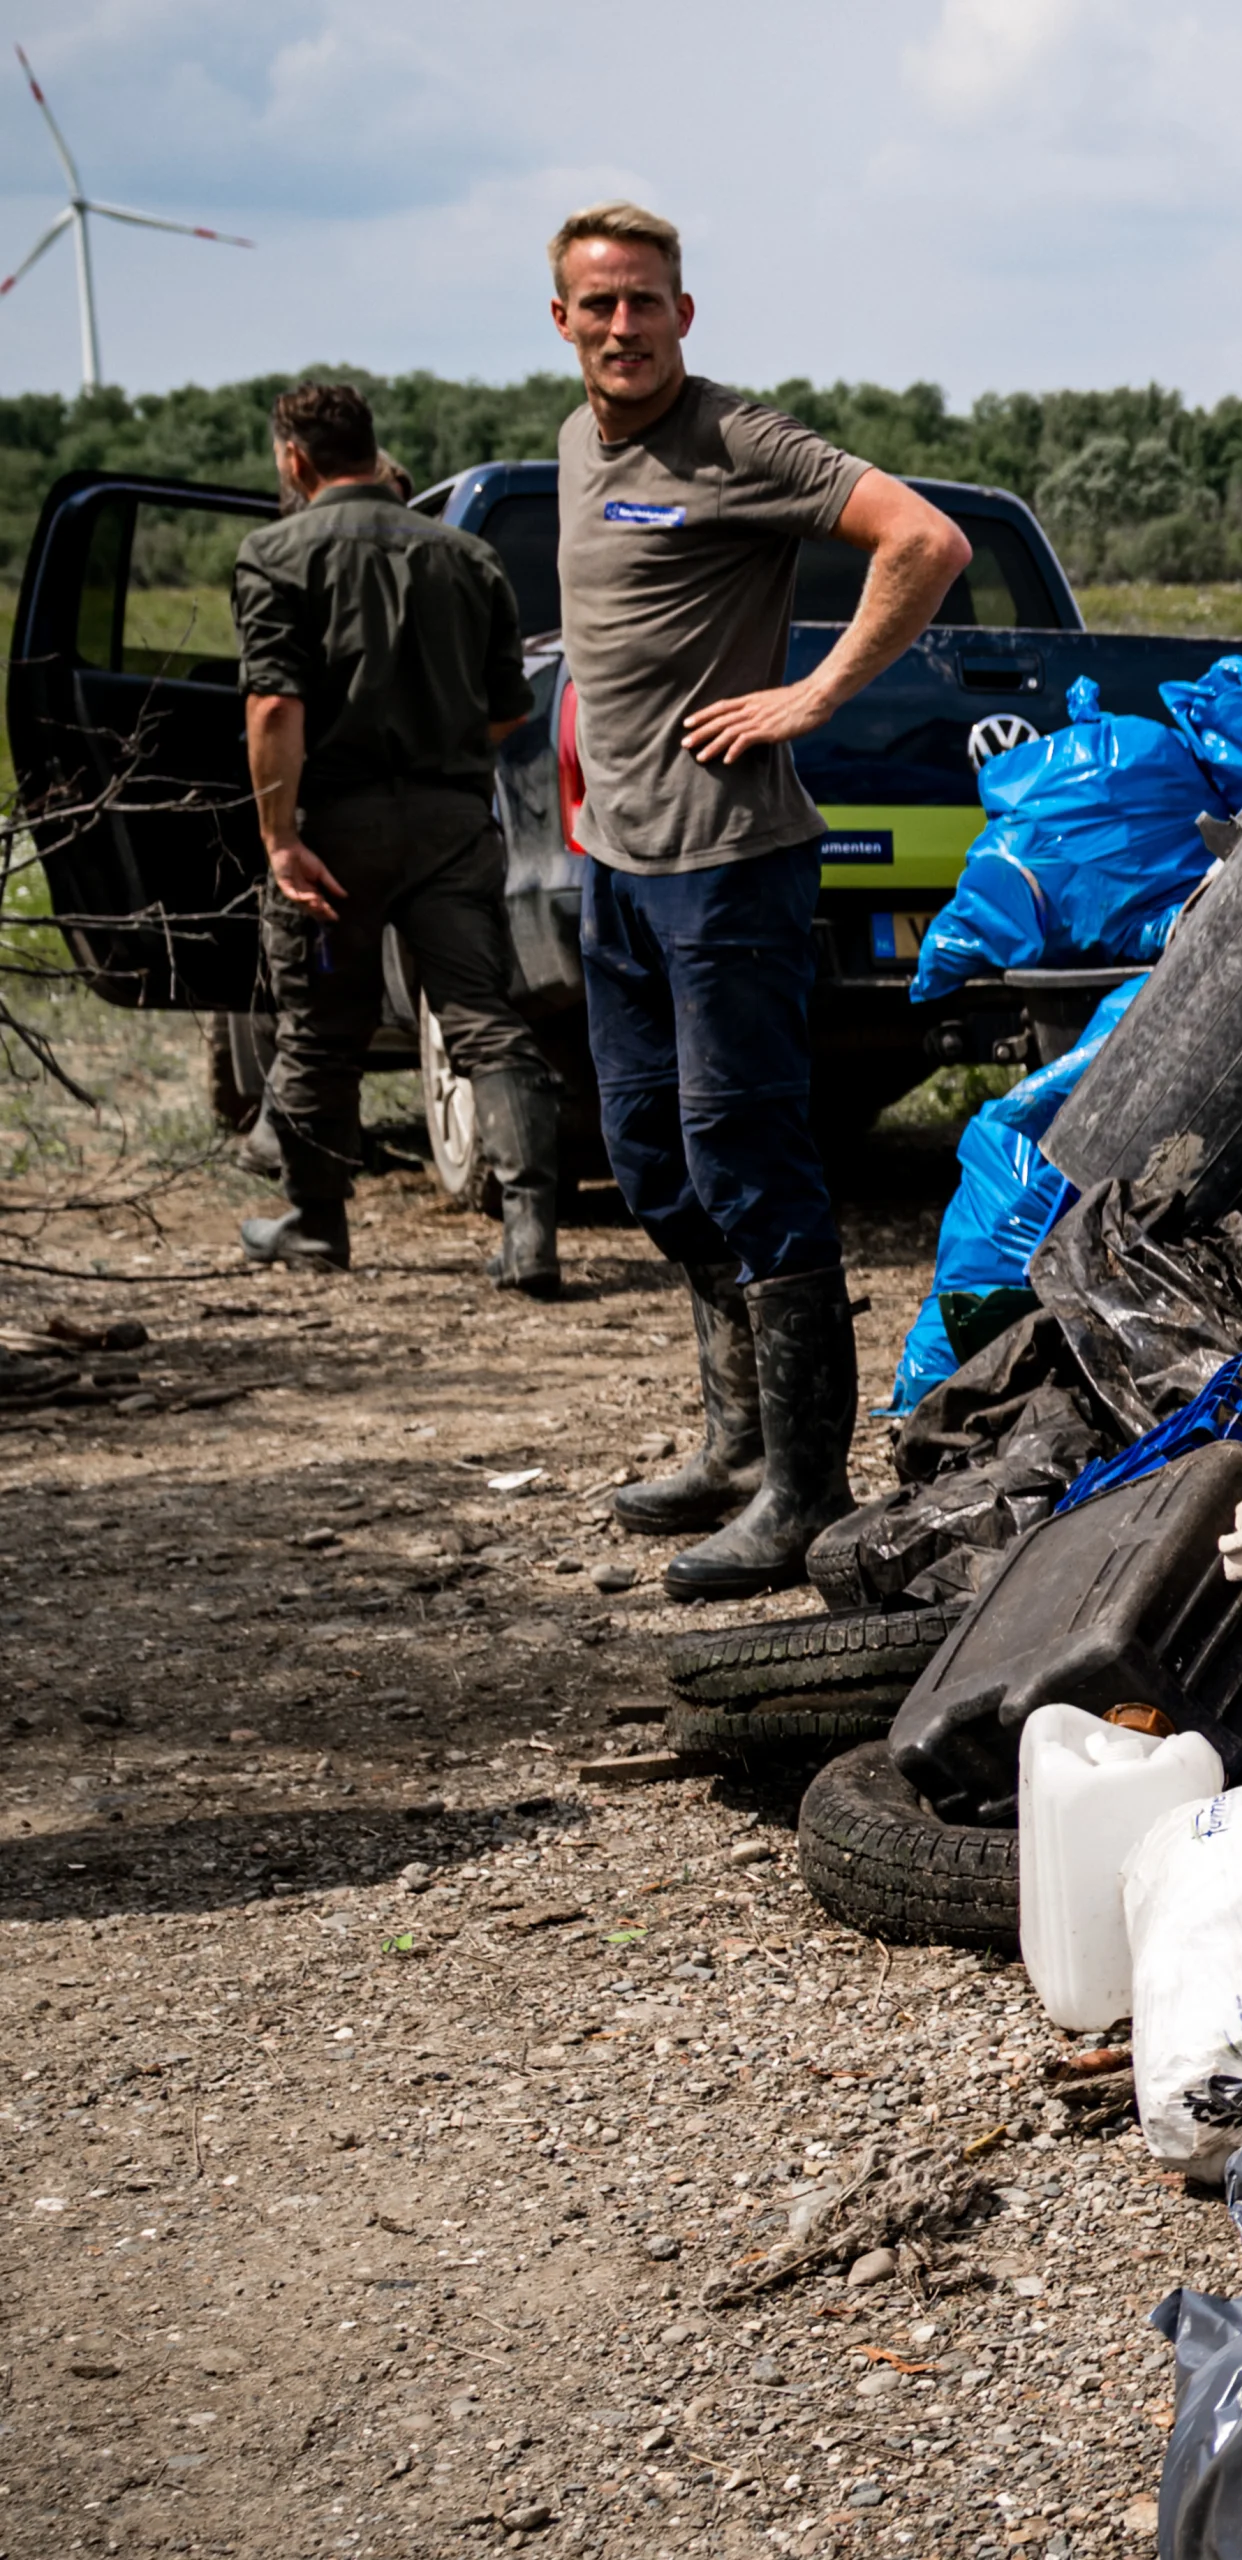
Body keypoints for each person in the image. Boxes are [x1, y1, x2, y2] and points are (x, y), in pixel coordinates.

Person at [546, 201, 966, 1600]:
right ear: (563, 320)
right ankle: (733, 1446)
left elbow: (924, 540)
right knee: (650, 1159)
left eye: (645, 302)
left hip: (730, 864)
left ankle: (803, 1490)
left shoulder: (734, 441)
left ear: (683, 312)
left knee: (748, 1158)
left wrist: (814, 694)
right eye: (598, 305)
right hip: (618, 868)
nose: (623, 326)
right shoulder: (574, 447)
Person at [231, 379, 559, 1287]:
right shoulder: (467, 557)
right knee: (485, 1022)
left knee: (319, 1030)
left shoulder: (274, 554)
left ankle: (316, 1222)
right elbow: (508, 709)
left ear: (295, 460)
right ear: (372, 451)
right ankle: (530, 1235)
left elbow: (273, 708)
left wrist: (280, 835)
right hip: (454, 824)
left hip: (334, 829)